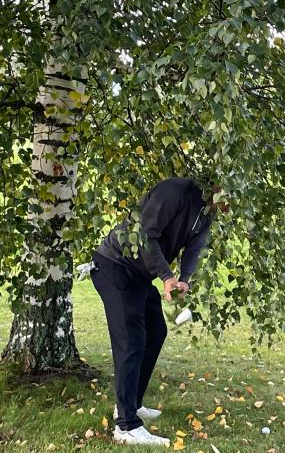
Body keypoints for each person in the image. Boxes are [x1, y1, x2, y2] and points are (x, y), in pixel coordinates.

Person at [91, 177, 221, 445]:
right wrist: (165, 274)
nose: (233, 206)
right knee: (132, 340)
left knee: (156, 332)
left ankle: (130, 405)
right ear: (218, 186)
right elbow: (144, 233)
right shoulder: (175, 191)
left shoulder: (207, 213)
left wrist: (184, 278)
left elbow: (195, 247)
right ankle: (126, 427)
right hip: (114, 265)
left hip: (137, 276)